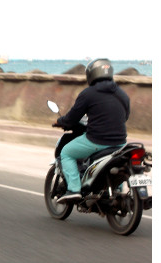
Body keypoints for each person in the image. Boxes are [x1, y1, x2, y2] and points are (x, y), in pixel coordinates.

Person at [54, 58, 130, 204]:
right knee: (118, 163)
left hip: (96, 140)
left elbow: (72, 118)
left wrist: (60, 121)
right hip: (120, 143)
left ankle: (74, 189)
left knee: (66, 152)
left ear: (91, 74)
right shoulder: (122, 94)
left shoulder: (88, 93)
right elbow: (125, 117)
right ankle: (117, 190)